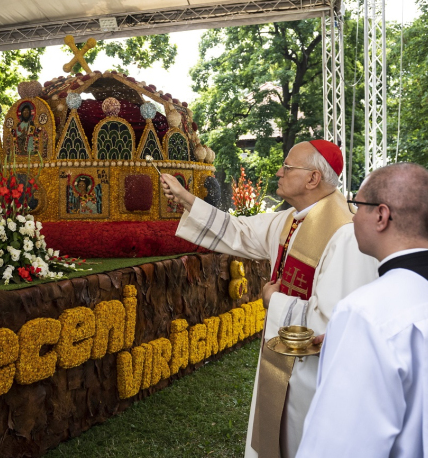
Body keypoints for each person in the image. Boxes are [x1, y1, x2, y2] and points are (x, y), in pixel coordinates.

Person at [160, 140, 379, 458]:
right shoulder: (291, 219)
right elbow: (239, 231)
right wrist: (186, 199)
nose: (279, 171)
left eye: (288, 167)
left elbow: (334, 323)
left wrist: (274, 302)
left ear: (312, 178)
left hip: (312, 377)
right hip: (284, 361)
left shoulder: (343, 235)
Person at [296, 163, 428, 457]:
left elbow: (339, 446)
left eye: (356, 206)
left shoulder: (365, 314)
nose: (352, 217)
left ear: (381, 216)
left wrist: (359, 338)